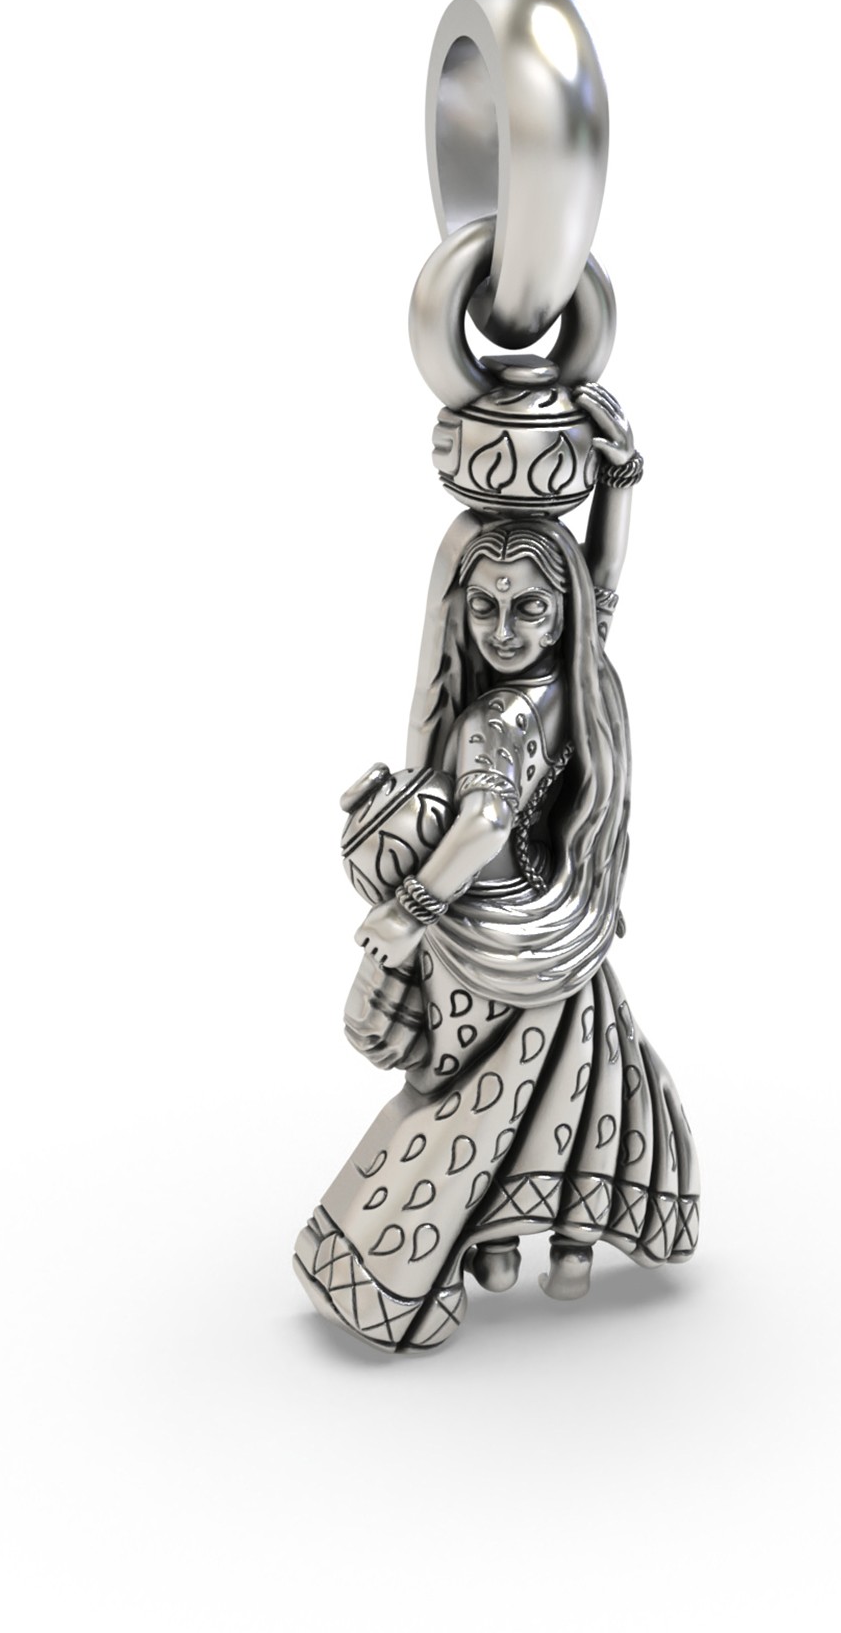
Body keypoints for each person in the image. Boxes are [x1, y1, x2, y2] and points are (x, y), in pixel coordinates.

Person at [293, 387, 699, 1352]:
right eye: (483, 606)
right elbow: (604, 577)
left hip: (481, 942)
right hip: (563, 931)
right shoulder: (578, 679)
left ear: (558, 615)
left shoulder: (496, 717)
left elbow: (483, 817)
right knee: (578, 1088)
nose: (503, 629)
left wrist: (410, 909)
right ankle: (552, 1245)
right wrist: (621, 479)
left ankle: (424, 1261)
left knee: (468, 1107)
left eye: (527, 608)